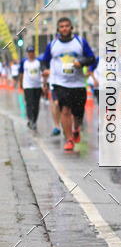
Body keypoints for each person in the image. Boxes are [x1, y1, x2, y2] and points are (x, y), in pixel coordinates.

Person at [41, 17, 98, 152]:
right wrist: (45, 70)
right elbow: (44, 61)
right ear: (58, 29)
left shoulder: (80, 42)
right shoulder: (53, 44)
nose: (64, 28)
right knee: (65, 111)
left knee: (78, 113)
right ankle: (69, 139)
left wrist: (81, 62)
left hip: (77, 83)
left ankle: (76, 129)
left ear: (71, 28)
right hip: (60, 83)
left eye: (67, 26)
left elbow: (92, 58)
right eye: (61, 26)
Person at [18, 45, 43, 130]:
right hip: (28, 86)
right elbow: (21, 73)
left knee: (36, 104)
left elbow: (42, 73)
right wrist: (21, 83)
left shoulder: (39, 61)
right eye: (29, 52)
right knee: (29, 103)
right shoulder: (23, 62)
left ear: (34, 53)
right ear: (27, 53)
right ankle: (31, 120)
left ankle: (34, 120)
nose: (31, 54)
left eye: (32, 52)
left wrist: (44, 85)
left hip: (37, 86)